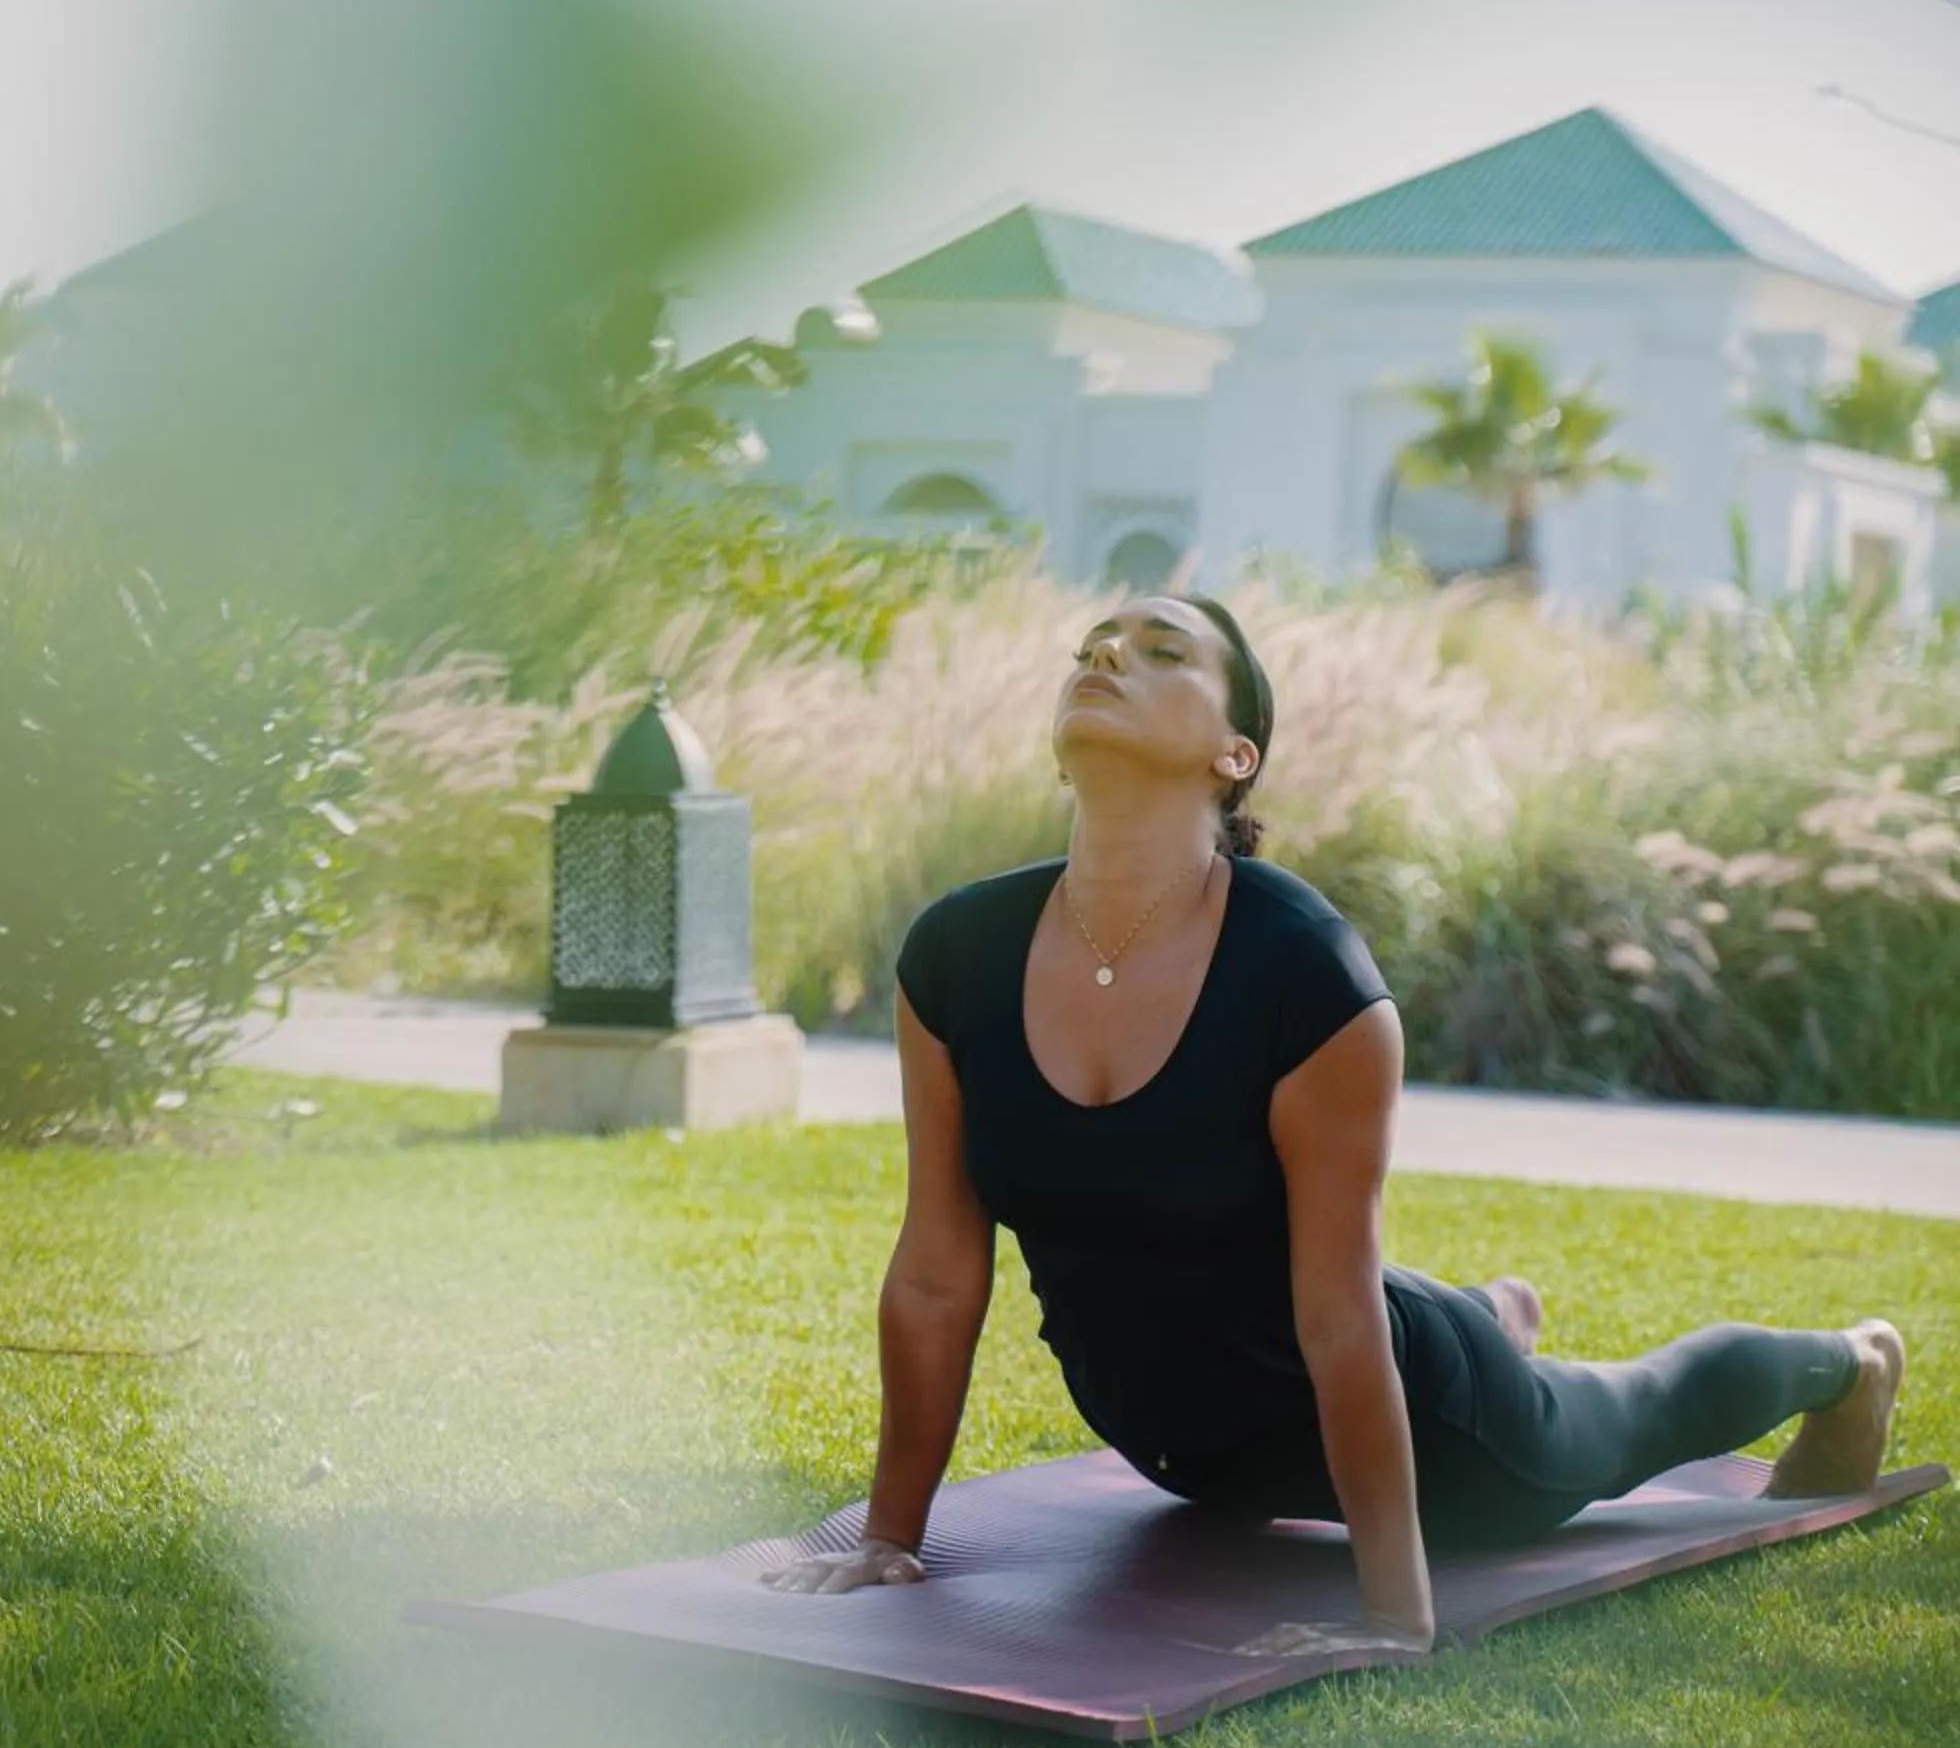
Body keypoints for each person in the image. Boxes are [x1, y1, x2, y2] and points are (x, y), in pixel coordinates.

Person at [763, 594, 1906, 1648]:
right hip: (1177, 1453)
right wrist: (888, 1537)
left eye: (1161, 651)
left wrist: (1392, 1614)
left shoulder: (1301, 970)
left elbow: (1338, 1316)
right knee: (1375, 1297)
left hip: (1439, 1442)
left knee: (1629, 1412)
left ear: (1234, 755)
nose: (1106, 654)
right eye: (1092, 647)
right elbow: (935, 1274)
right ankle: (1491, 1309)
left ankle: (1847, 1365)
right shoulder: (957, 956)